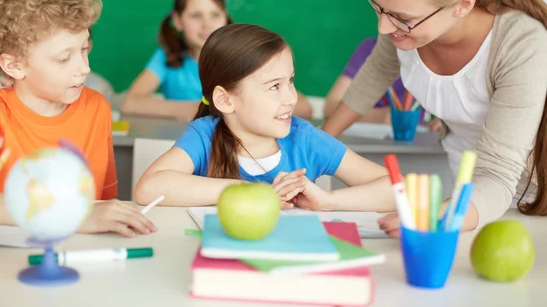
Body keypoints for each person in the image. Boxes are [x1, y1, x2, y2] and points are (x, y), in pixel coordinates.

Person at [322, 0, 547, 236]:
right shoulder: (403, 28)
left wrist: (436, 218)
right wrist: (311, 149)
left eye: (401, 16)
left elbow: (498, 174)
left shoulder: (521, 43)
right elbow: (369, 81)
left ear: (463, 4)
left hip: (531, 198)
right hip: (469, 197)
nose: (384, 27)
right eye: (378, 6)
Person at [0, 0, 156, 238]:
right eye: (63, 58)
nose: (83, 68)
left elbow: (103, 204)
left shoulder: (96, 107)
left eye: (84, 50)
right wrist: (71, 216)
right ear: (15, 66)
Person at [134, 24, 395, 213]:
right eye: (274, 86)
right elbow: (148, 188)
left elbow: (397, 190)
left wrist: (328, 200)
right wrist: (250, 191)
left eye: (290, 81)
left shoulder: (304, 137)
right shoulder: (205, 135)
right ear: (225, 100)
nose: (291, 97)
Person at [121, 0, 313, 120]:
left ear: (225, 18)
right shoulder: (165, 57)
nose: (207, 24)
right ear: (178, 21)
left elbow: (304, 108)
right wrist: (200, 109)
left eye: (215, 14)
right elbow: (130, 102)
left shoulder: (242, 56)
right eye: (196, 15)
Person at [324, 36, 427, 125]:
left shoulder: (425, 61)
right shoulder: (369, 48)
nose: (383, 27)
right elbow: (330, 107)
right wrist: (377, 116)